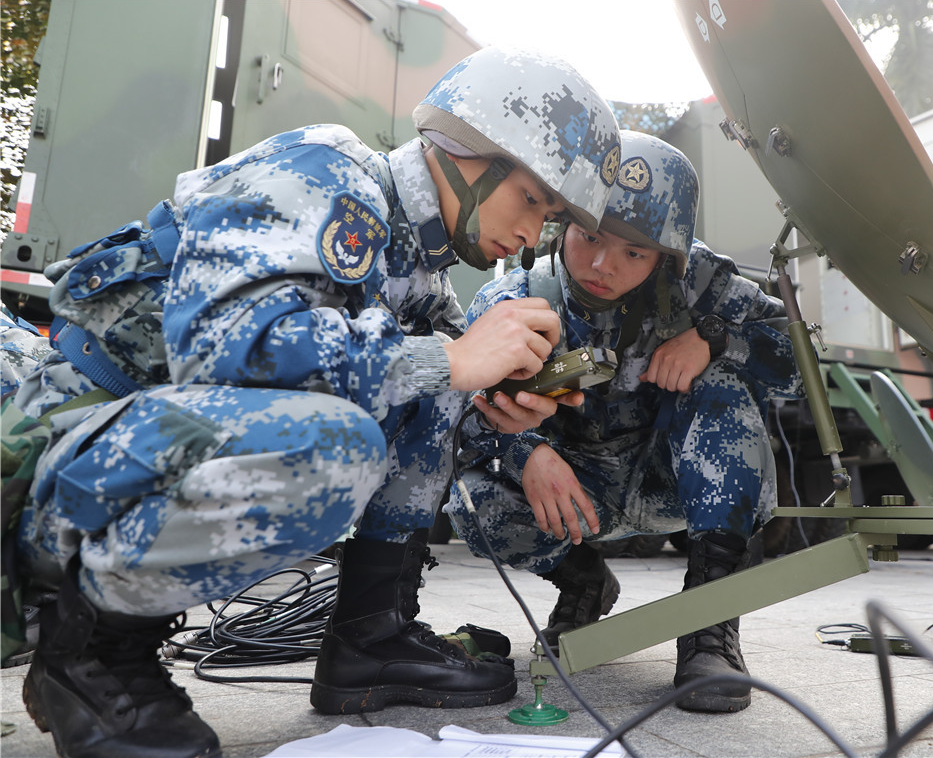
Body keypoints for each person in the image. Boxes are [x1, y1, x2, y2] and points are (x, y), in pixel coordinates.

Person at [8, 47, 620, 758]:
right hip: (65, 461)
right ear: (469, 154)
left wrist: (507, 410)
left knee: (439, 388)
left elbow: (437, 391)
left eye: (547, 218)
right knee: (339, 441)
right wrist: (451, 359)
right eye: (530, 202)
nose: (529, 234)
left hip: (130, 458)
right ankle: (92, 652)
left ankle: (370, 633)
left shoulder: (412, 263)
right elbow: (226, 346)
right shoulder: (325, 171)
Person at [445, 131, 803, 713]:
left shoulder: (702, 284)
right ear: (565, 225)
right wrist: (525, 452)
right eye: (588, 237)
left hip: (672, 479)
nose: (601, 265)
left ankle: (708, 628)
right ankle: (583, 582)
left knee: (721, 388)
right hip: (575, 494)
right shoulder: (517, 299)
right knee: (468, 498)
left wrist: (714, 341)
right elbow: (462, 416)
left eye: (634, 253)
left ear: (667, 255)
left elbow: (795, 365)